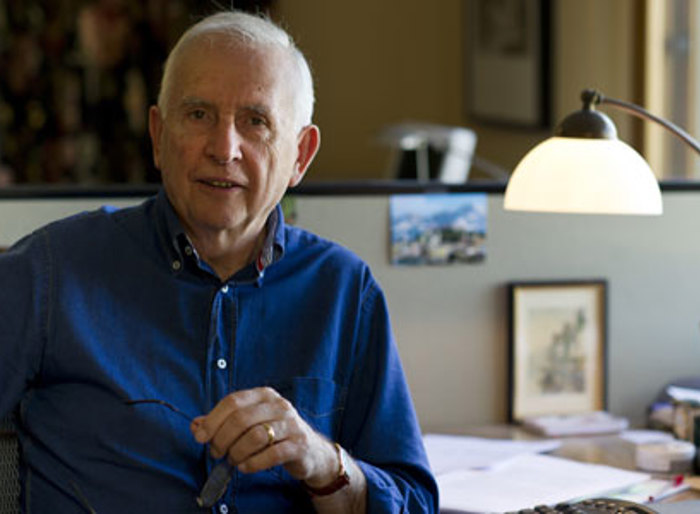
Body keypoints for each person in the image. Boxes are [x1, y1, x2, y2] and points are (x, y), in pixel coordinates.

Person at [0, 10, 438, 513]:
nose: (224, 148)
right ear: (158, 135)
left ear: (301, 155)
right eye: (198, 115)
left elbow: (413, 503)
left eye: (255, 122)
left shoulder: (343, 291)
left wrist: (321, 461)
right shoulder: (54, 272)